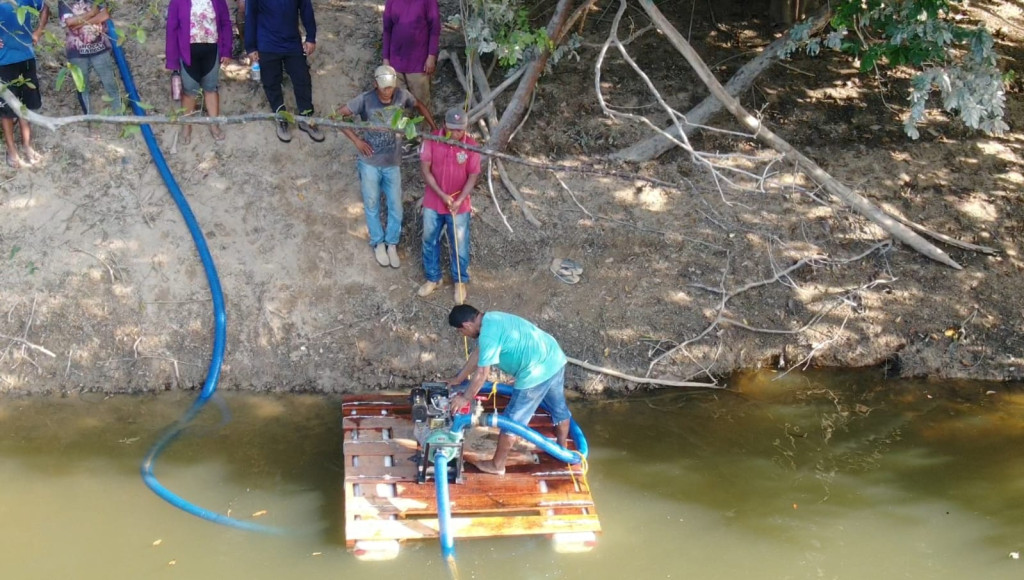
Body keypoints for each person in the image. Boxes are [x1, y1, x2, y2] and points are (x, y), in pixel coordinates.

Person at [447, 304, 572, 476]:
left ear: (467, 325)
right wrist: (458, 379)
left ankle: (497, 465)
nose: (463, 335)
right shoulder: (492, 318)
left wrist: (465, 399)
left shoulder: (488, 335)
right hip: (553, 357)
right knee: (558, 408)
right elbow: (478, 355)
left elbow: (482, 373)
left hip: (535, 373)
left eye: (461, 332)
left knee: (512, 421)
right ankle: (561, 448)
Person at [336, 65, 436, 269]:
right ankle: (378, 242)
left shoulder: (402, 96)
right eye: (384, 88)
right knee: (371, 204)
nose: (388, 92)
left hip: (392, 163)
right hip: (370, 163)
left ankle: (392, 243)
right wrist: (357, 141)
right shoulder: (364, 100)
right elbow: (337, 116)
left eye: (390, 87)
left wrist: (434, 128)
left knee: (395, 206)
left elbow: (419, 105)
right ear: (375, 84)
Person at [418, 107, 480, 304]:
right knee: (429, 239)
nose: (456, 133)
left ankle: (460, 281)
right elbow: (425, 171)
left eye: (460, 129)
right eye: (452, 129)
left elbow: (473, 176)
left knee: (459, 244)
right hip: (434, 200)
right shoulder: (432, 140)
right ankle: (433, 278)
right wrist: (442, 195)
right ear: (444, 125)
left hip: (459, 205)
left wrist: (460, 199)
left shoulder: (471, 145)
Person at [244, 0, 323, 143]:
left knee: (302, 79)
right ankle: (281, 117)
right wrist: (250, 47)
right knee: (271, 82)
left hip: (292, 43)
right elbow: (250, 16)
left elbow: (306, 9)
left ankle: (306, 117)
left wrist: (311, 37)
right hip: (267, 43)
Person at [165, 0, 233, 144]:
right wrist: (172, 60)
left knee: (211, 88)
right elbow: (171, 29)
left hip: (211, 51)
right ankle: (186, 126)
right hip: (187, 52)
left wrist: (226, 50)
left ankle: (214, 125)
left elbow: (225, 23)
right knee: (189, 91)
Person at [0, 0, 48, 168]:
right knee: (6, 110)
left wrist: (38, 31)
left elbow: (44, 8)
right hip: (3, 63)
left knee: (25, 106)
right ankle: (12, 150)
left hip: (26, 59)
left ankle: (27, 146)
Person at [57, 0, 122, 116]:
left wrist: (80, 23)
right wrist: (92, 13)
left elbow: (105, 15)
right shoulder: (65, 2)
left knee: (110, 83)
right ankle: (89, 118)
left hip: (100, 49)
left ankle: (119, 116)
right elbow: (70, 22)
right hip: (76, 52)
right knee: (82, 87)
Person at [381, 0, 439, 113]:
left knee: (421, 103)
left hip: (419, 64)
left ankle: (424, 130)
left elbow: (435, 29)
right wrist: (386, 58)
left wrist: (431, 56)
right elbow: (387, 30)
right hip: (395, 63)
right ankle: (400, 130)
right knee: (397, 103)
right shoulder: (391, 2)